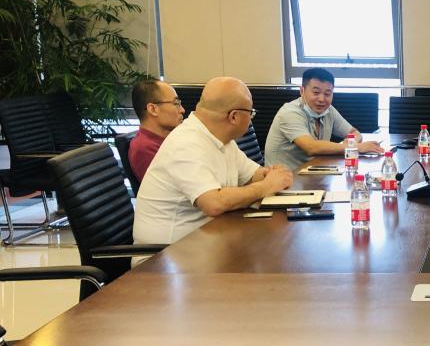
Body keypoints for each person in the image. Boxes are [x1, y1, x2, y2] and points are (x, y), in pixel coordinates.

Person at [133, 77, 293, 244]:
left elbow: (252, 175)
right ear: (234, 117)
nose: (251, 118)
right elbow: (213, 203)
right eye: (250, 113)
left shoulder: (222, 139)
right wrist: (267, 186)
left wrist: (272, 175)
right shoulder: (185, 143)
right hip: (166, 254)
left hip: (206, 239)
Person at [264, 67, 384, 170]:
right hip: (284, 180)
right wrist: (354, 147)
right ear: (302, 91)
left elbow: (354, 133)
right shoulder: (289, 113)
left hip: (313, 173)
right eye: (316, 92)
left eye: (327, 94)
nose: (322, 99)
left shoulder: (328, 110)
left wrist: (351, 142)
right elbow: (311, 147)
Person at [127, 79, 185, 182]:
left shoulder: (166, 141)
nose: (182, 110)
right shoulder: (144, 149)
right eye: (176, 103)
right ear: (153, 109)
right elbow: (177, 187)